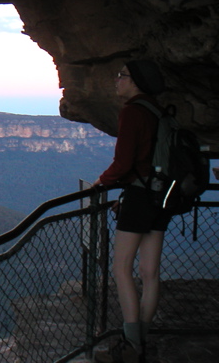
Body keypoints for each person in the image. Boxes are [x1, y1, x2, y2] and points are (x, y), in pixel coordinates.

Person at [93, 60, 170, 363]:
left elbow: (124, 162)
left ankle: (131, 344)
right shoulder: (159, 112)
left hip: (139, 198)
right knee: (150, 273)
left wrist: (102, 183)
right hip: (163, 196)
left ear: (134, 81)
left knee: (122, 268)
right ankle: (143, 340)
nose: (116, 81)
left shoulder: (133, 112)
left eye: (121, 76)